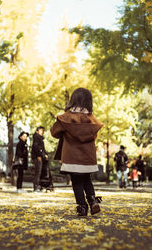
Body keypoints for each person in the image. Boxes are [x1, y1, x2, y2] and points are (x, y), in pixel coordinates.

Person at [50, 87, 104, 216]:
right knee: (87, 179)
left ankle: (82, 206)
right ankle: (92, 200)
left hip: (72, 157)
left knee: (77, 182)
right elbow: (93, 136)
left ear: (72, 100)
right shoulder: (92, 120)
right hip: (87, 157)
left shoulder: (66, 117)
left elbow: (54, 133)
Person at [31, 126, 48, 192]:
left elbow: (42, 148)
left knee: (40, 172)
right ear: (37, 131)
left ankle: (39, 186)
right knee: (37, 172)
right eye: (41, 130)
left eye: (43, 130)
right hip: (37, 157)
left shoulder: (40, 138)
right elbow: (36, 147)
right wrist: (39, 155)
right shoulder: (36, 137)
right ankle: (36, 187)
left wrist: (45, 154)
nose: (42, 131)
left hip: (40, 157)